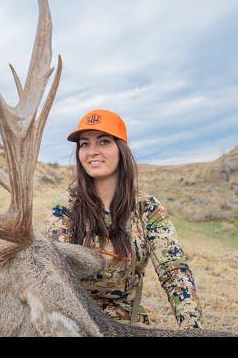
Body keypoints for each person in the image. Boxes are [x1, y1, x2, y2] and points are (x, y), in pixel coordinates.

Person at [44, 109, 204, 329]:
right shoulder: (66, 205)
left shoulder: (147, 208)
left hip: (126, 322)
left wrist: (193, 329)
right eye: (84, 144)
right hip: (74, 318)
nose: (92, 152)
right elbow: (53, 267)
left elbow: (174, 271)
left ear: (121, 149)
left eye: (104, 142)